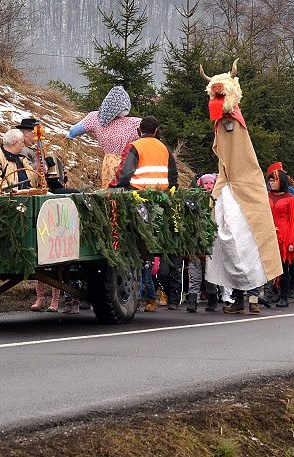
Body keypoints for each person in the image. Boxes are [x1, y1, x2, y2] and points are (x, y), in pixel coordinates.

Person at [200, 61, 281, 315]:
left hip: (243, 190)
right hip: (228, 188)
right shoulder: (221, 125)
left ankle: (253, 296)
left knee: (247, 243)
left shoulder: (235, 124)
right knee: (229, 244)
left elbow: (240, 161)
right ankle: (238, 297)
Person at [67, 86, 141, 187]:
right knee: (122, 190)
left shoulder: (95, 118)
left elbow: (76, 129)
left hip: (111, 162)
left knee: (109, 188)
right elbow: (149, 131)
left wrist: (70, 135)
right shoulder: (134, 123)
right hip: (127, 163)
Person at [267, 162, 294, 308]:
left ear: (281, 181)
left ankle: (284, 296)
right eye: (270, 180)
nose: (271, 183)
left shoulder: (290, 198)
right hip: (269, 236)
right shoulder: (266, 196)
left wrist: (293, 242)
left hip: (285, 237)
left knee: (283, 268)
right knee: (269, 267)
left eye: (274, 180)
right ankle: (271, 293)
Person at [186, 173, 222, 312]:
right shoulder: (194, 199)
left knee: (209, 272)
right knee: (194, 271)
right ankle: (193, 300)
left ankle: (212, 298)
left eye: (211, 183)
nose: (208, 186)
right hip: (196, 240)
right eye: (206, 183)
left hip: (212, 240)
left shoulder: (218, 200)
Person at [113, 116, 178, 191]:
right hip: (161, 192)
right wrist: (172, 190)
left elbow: (125, 173)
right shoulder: (164, 148)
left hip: (138, 191)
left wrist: (113, 186)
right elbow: (173, 173)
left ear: (139, 129)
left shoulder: (135, 146)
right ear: (156, 130)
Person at [0, 128, 35, 194]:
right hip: (4, 199)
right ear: (15, 143)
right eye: (22, 142)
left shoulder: (21, 158)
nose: (23, 145)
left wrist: (39, 172)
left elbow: (32, 180)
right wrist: (13, 191)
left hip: (25, 196)